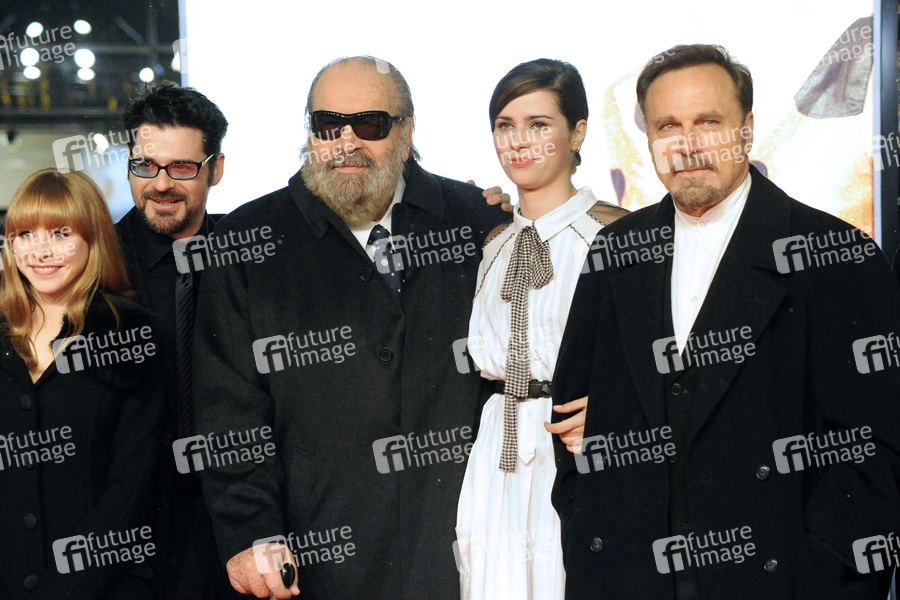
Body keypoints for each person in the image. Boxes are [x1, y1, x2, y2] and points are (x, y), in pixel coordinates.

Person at [551, 44, 900, 599]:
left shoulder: (836, 256)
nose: (687, 145)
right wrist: (589, 540)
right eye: (668, 126)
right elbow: (572, 419)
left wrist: (825, 574)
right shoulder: (615, 251)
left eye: (708, 123)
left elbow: (875, 448)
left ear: (748, 130)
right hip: (631, 578)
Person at [191, 55, 511, 600]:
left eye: (369, 125)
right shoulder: (245, 241)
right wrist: (251, 532)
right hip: (312, 562)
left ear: (406, 135)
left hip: (463, 552)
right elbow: (229, 412)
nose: (346, 142)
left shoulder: (478, 221)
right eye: (328, 126)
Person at [454, 59, 626, 600]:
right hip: (496, 452)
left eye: (539, 124)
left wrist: (615, 413)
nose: (519, 141)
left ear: (577, 132)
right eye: (505, 125)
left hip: (577, 449)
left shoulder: (617, 234)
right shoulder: (492, 244)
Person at [0, 169, 165, 598]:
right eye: (25, 234)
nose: (41, 251)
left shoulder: (131, 336)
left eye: (60, 233)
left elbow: (133, 489)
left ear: (93, 240)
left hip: (101, 587)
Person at [114, 81, 239, 600]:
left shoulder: (249, 255)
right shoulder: (94, 262)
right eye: (146, 166)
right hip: (121, 532)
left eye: (182, 168)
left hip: (229, 523)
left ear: (216, 168)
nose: (161, 184)